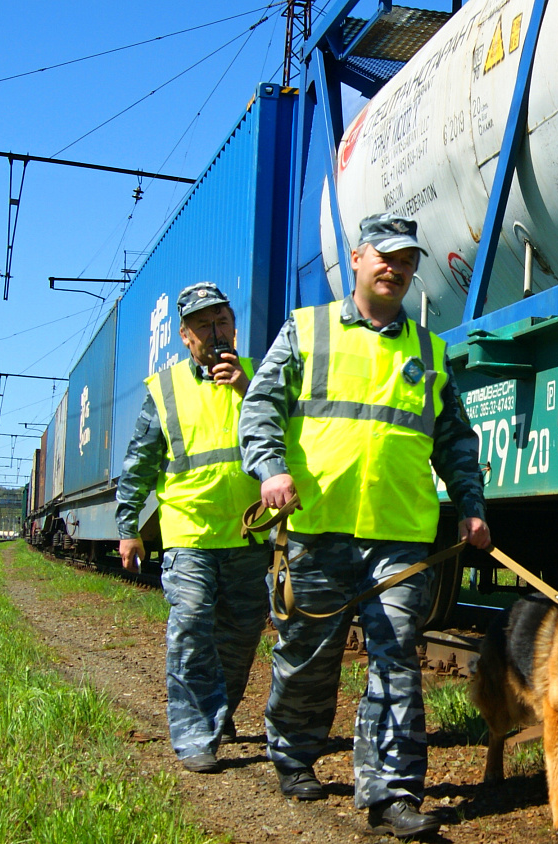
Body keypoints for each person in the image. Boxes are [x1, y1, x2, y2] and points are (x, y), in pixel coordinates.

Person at [239, 213, 490, 839]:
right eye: (385, 256)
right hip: (317, 527)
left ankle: (391, 793)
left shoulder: (430, 351)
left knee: (396, 658)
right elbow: (259, 406)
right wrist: (269, 469)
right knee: (307, 656)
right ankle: (294, 755)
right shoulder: (307, 330)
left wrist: (473, 505)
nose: (396, 269)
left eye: (407, 261)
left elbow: (455, 440)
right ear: (357, 258)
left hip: (399, 535)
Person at [116, 281, 269, 774]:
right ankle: (193, 735)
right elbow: (139, 464)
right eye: (204, 324)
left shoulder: (263, 379)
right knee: (191, 631)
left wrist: (249, 389)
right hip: (190, 537)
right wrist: (127, 526)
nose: (216, 331)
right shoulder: (165, 390)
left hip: (249, 535)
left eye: (223, 320)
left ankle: (216, 712)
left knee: (241, 636)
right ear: (185, 335)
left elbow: (297, 438)